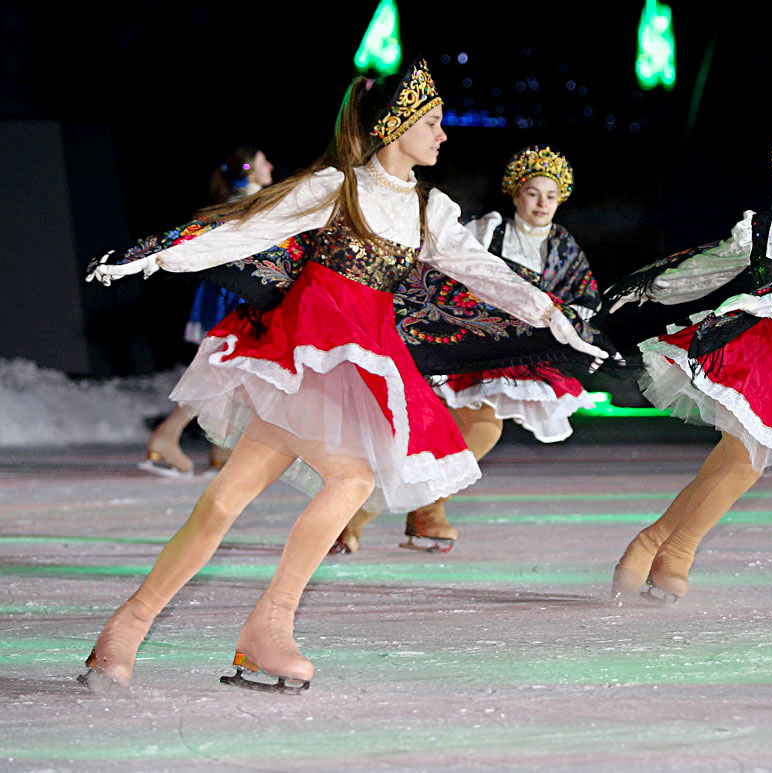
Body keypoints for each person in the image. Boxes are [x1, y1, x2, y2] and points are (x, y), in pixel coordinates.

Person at [82, 60, 606, 692]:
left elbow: (485, 273)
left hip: (359, 361)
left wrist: (553, 317)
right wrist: (154, 256)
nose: (443, 136)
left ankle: (129, 632)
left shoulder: (427, 209)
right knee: (341, 480)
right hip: (306, 353)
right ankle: (260, 631)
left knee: (227, 500)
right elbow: (245, 227)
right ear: (397, 124)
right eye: (433, 123)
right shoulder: (338, 188)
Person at [604, 110, 772, 603]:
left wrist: (765, 300)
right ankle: (672, 553)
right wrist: (646, 290)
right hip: (747, 352)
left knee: (731, 460)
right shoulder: (759, 229)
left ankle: (655, 545)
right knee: (744, 460)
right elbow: (706, 270)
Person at [335, 145, 602, 554]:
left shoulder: (565, 247)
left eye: (551, 195)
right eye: (533, 193)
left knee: (469, 432)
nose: (542, 203)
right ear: (515, 194)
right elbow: (444, 269)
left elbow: (584, 299)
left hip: (515, 354)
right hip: (464, 341)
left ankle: (412, 513)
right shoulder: (489, 229)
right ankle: (390, 514)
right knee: (474, 430)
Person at [142, 146, 275, 478]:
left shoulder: (243, 205)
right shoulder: (249, 206)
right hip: (238, 299)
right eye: (263, 162)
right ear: (248, 172)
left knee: (235, 375)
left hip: (234, 296)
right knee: (225, 373)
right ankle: (168, 436)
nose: (270, 165)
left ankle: (220, 447)